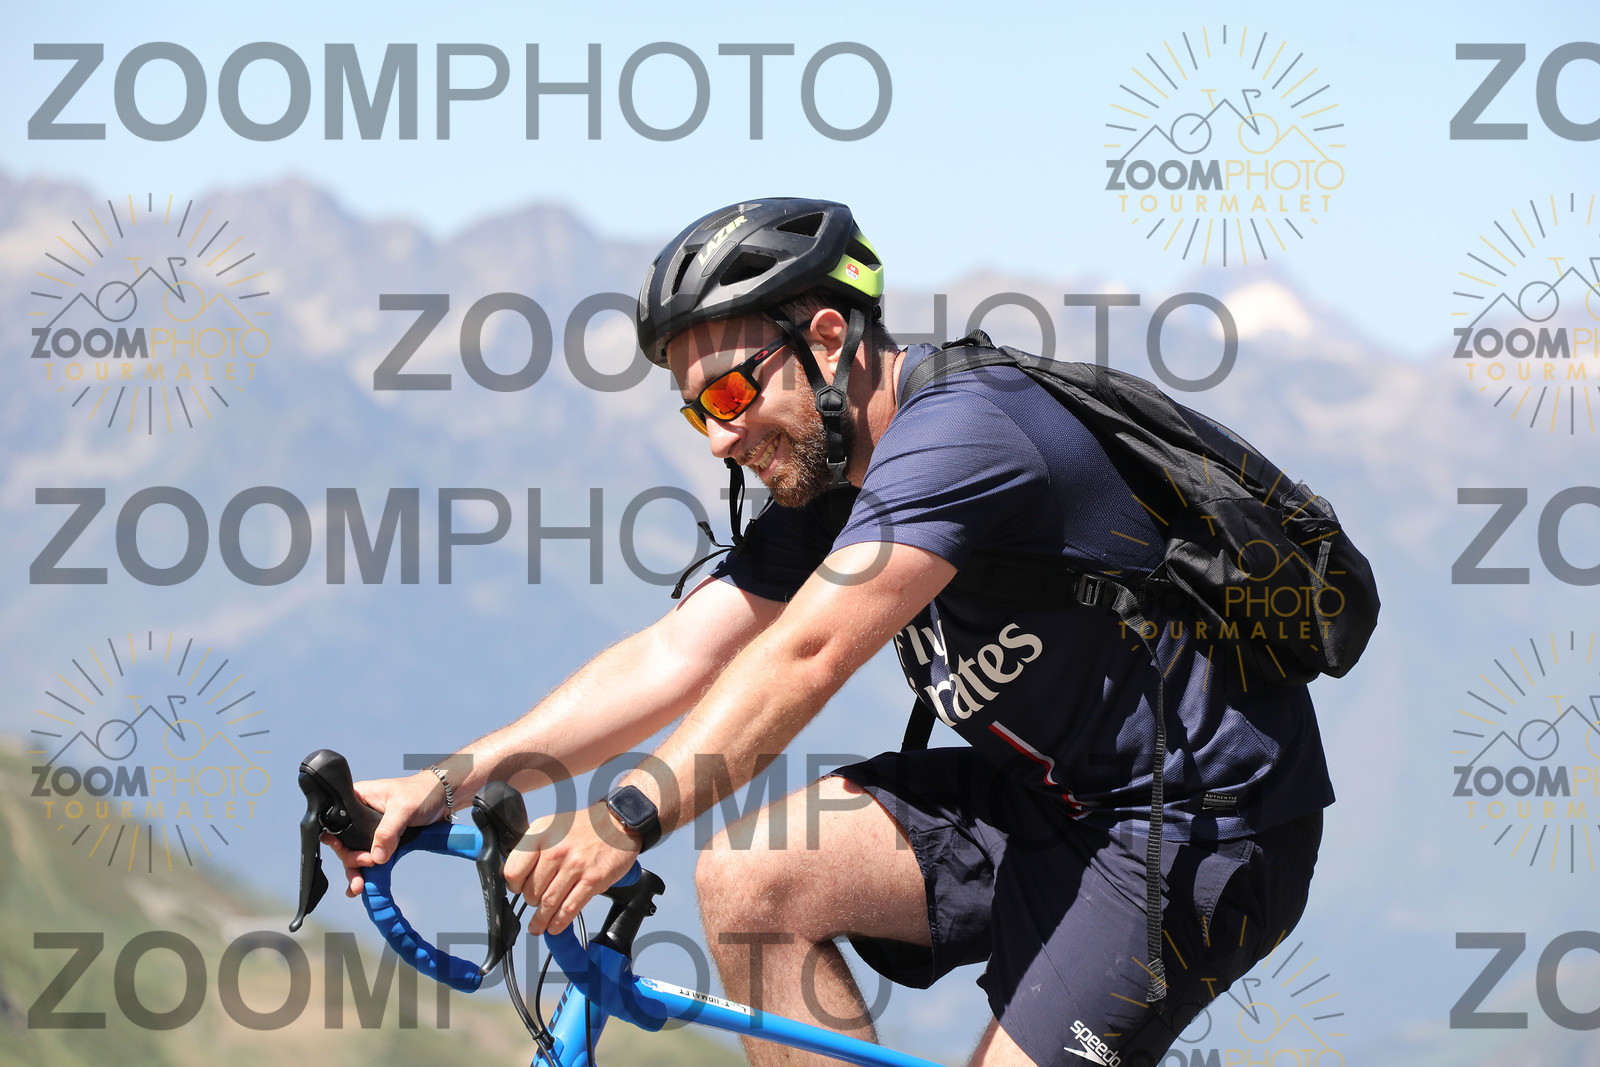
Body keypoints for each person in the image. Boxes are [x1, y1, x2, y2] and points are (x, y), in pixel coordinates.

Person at [330, 198, 1333, 1067]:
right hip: (1046, 798)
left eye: (731, 393)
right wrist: (445, 782)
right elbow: (678, 653)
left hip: (1196, 826)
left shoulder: (966, 434)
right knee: (750, 879)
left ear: (824, 337)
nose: (720, 436)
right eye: (696, 413)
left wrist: (624, 817)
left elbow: (806, 654)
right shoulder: (835, 477)